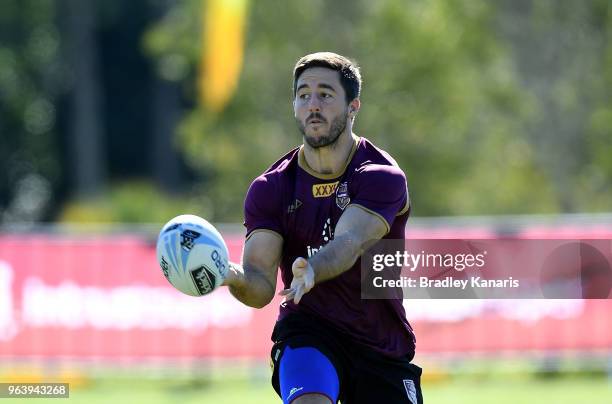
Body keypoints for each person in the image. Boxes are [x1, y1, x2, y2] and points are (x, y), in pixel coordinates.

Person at [222, 52, 423, 404]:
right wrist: (228, 275)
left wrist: (313, 268)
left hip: (380, 341)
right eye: (303, 95)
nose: (313, 105)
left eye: (325, 95)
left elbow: (350, 240)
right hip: (309, 330)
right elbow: (259, 286)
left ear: (353, 106)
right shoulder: (270, 188)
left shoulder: (381, 176)